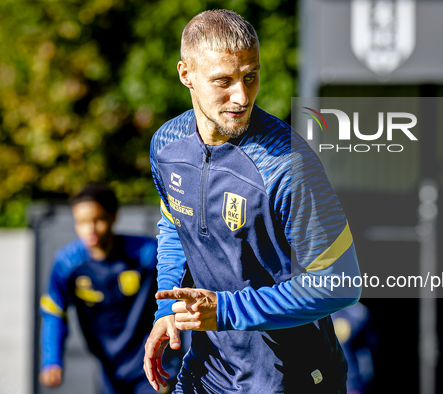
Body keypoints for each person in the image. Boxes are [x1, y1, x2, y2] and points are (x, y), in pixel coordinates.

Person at [143, 9, 362, 394]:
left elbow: (341, 283)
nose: (241, 96)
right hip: (209, 373)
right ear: (185, 75)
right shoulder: (166, 147)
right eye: (223, 81)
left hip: (293, 379)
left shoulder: (287, 164)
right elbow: (176, 226)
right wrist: (169, 312)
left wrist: (226, 310)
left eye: (251, 76)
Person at [39, 184, 177, 393]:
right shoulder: (67, 264)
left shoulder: (146, 254)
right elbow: (54, 313)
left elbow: (180, 276)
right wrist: (51, 360)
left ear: (114, 217)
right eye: (82, 222)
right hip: (108, 371)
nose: (90, 229)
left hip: (155, 365)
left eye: (98, 220)